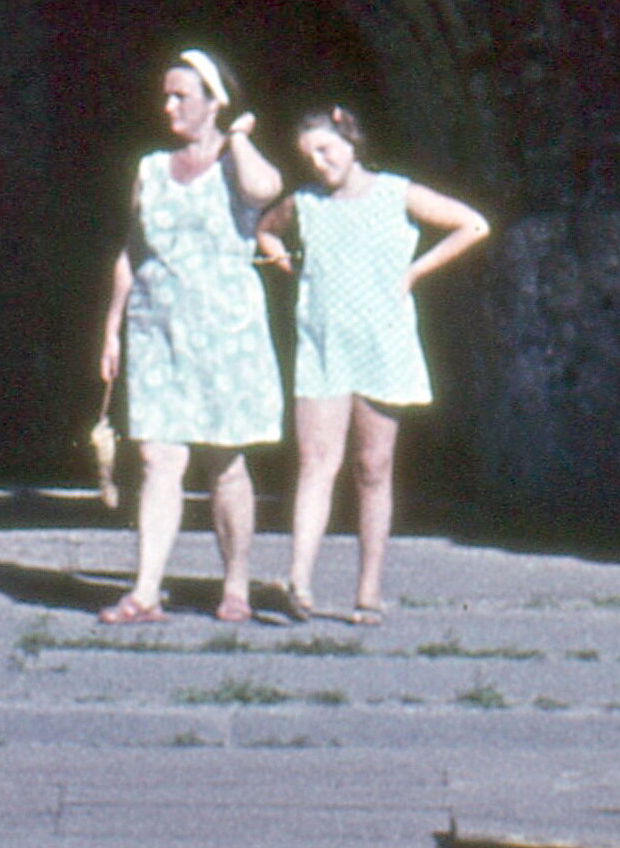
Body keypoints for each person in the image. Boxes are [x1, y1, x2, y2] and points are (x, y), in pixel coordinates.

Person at [256, 105, 490, 622]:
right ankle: (298, 582)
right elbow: (265, 231)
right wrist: (289, 266)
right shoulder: (304, 203)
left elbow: (473, 225)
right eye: (308, 157)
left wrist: (413, 273)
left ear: (351, 141)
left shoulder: (396, 194)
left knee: (373, 468)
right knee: (317, 463)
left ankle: (368, 591)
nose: (319, 164)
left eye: (326, 150)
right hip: (323, 345)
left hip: (382, 345)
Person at [97, 50, 284, 625]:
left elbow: (264, 190)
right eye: (166, 95)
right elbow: (133, 249)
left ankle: (236, 584)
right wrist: (112, 328)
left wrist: (236, 137)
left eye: (181, 95)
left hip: (225, 331)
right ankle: (145, 591)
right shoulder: (151, 168)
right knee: (158, 457)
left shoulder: (237, 164)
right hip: (156, 328)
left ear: (214, 100)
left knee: (224, 460)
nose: (169, 106)